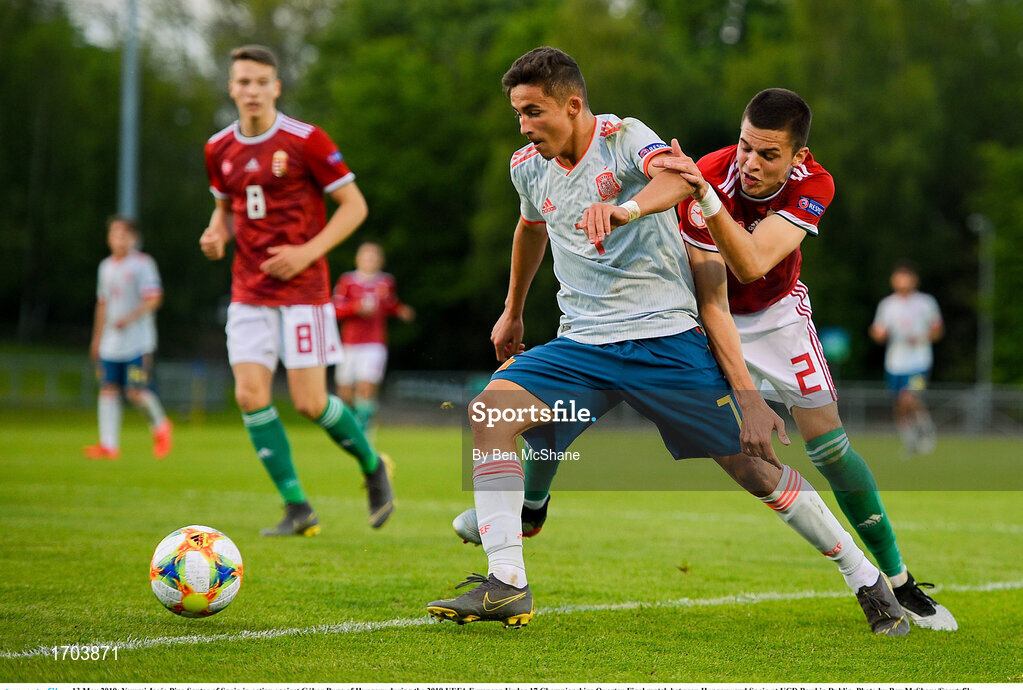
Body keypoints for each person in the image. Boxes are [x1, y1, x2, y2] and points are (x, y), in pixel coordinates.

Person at [427, 47, 909, 636]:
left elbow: (680, 178)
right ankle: (506, 582)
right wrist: (512, 311)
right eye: (518, 114)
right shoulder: (526, 165)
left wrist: (625, 209)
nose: (524, 126)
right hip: (582, 344)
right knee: (491, 413)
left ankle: (867, 578)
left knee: (756, 469)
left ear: (573, 106)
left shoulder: (624, 137)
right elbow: (530, 228)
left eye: (533, 112)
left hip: (663, 338)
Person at [643, 88, 955, 630]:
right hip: (703, 315)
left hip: (778, 315)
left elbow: (754, 264)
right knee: (627, 389)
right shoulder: (708, 172)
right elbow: (714, 298)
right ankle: (525, 508)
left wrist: (710, 203)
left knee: (830, 448)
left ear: (798, 157)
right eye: (745, 147)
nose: (750, 163)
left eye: (769, 155)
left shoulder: (815, 183)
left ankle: (900, 580)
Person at [200, 44, 393, 536]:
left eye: (261, 82)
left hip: (304, 292)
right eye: (244, 82)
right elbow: (225, 210)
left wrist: (307, 252)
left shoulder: (306, 140)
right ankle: (297, 507)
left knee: (310, 402)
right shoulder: (217, 148)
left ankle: (373, 465)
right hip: (248, 292)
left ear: (276, 87)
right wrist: (216, 233)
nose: (252, 91)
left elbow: (354, 206)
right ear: (232, 87)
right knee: (249, 395)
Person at [84, 215, 173, 461]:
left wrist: (130, 317)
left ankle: (161, 425)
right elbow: (102, 304)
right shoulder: (105, 267)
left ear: (134, 238)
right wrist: (97, 339)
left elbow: (154, 298)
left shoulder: (143, 264)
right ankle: (109, 445)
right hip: (111, 343)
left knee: (135, 391)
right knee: (108, 389)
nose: (118, 240)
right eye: (114, 234)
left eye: (124, 235)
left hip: (138, 342)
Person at [332, 241, 415, 430]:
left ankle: (364, 429)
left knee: (367, 386)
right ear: (358, 259)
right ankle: (350, 426)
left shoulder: (386, 282)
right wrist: (355, 308)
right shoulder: (347, 281)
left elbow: (390, 304)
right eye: (366, 257)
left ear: (380, 261)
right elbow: (335, 309)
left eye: (373, 257)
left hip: (374, 342)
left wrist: (401, 310)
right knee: (345, 392)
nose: (370, 260)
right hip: (349, 343)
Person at [869, 262, 943, 455]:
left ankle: (926, 431)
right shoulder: (887, 305)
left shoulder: (926, 302)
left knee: (910, 397)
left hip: (919, 360)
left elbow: (937, 330)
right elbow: (878, 330)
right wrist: (878, 334)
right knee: (900, 404)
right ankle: (909, 440)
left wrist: (921, 337)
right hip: (895, 363)